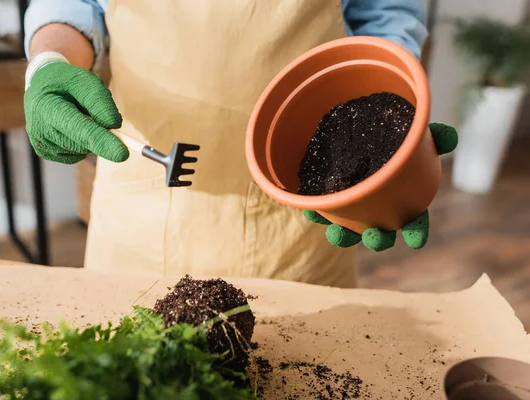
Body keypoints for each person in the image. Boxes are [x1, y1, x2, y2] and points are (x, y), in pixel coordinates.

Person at [22, 0, 449, 288]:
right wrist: (49, 62)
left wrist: (390, 118)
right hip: (141, 212)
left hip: (303, 218)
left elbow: (385, 13)